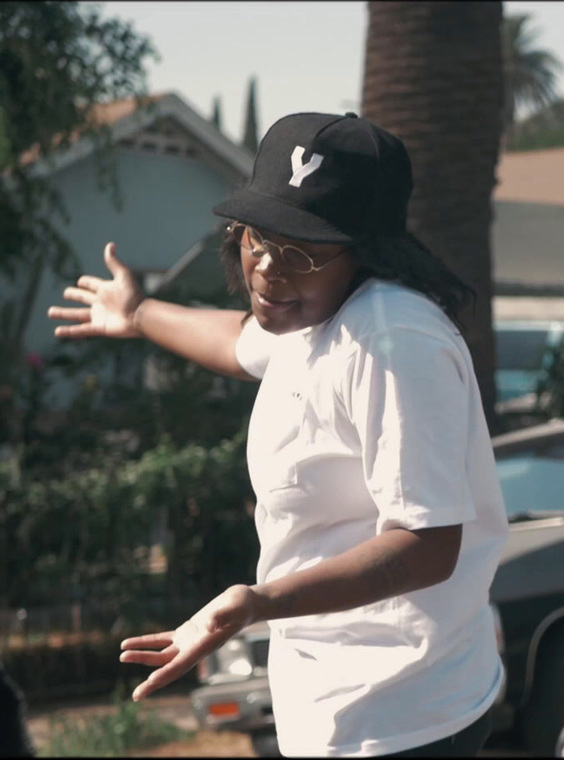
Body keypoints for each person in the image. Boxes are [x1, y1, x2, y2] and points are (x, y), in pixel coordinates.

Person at [48, 112, 509, 757]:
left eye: (301, 251)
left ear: (367, 250)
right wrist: (137, 314)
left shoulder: (392, 343)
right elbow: (238, 342)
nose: (267, 269)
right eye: (254, 238)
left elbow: (428, 544)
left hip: (399, 715)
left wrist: (258, 602)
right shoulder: (313, 314)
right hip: (335, 705)